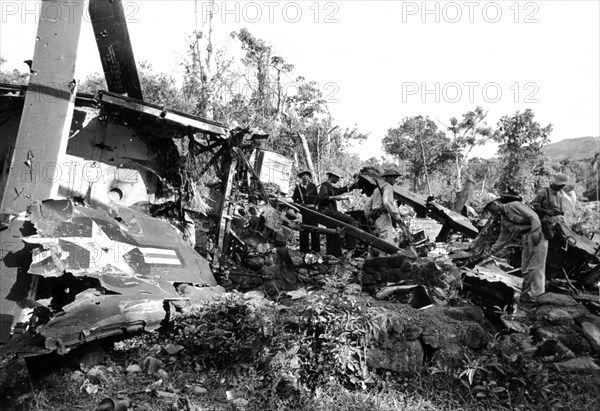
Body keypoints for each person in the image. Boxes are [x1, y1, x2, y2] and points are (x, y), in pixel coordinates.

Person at [482, 195, 546, 303]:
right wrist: (491, 251)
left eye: (489, 208)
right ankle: (527, 295)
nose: (490, 211)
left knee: (535, 266)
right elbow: (503, 238)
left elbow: (533, 216)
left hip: (537, 234)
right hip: (525, 237)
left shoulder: (514, 206)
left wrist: (535, 232)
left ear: (494, 204)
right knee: (525, 267)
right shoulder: (503, 219)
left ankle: (538, 296)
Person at [364, 168, 410, 246]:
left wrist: (368, 218)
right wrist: (397, 217)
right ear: (389, 178)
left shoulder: (377, 189)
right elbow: (387, 202)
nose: (394, 180)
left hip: (377, 219)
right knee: (386, 244)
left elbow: (366, 206)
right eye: (394, 178)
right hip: (383, 218)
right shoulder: (388, 187)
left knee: (384, 239)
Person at [317, 170, 358, 256]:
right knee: (350, 220)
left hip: (330, 211)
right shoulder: (325, 185)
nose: (338, 180)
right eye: (338, 178)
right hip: (326, 211)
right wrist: (336, 197)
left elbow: (340, 190)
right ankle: (351, 247)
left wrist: (353, 184)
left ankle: (333, 254)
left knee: (334, 231)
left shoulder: (331, 187)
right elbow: (322, 198)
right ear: (333, 176)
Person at [531, 173, 569, 241]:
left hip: (555, 222)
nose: (562, 187)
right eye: (562, 185)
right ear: (557, 184)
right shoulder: (543, 192)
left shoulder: (560, 193)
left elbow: (559, 207)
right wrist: (546, 211)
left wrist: (560, 212)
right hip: (544, 221)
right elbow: (535, 205)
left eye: (563, 186)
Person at [292, 170, 320, 252]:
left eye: (307, 175)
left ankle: (315, 250)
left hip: (312, 210)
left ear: (309, 177)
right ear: (301, 177)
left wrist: (313, 201)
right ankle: (304, 250)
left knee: (315, 229)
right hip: (303, 210)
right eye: (303, 175)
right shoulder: (298, 188)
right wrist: (299, 206)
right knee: (303, 230)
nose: (305, 177)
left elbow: (317, 197)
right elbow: (294, 199)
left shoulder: (313, 186)